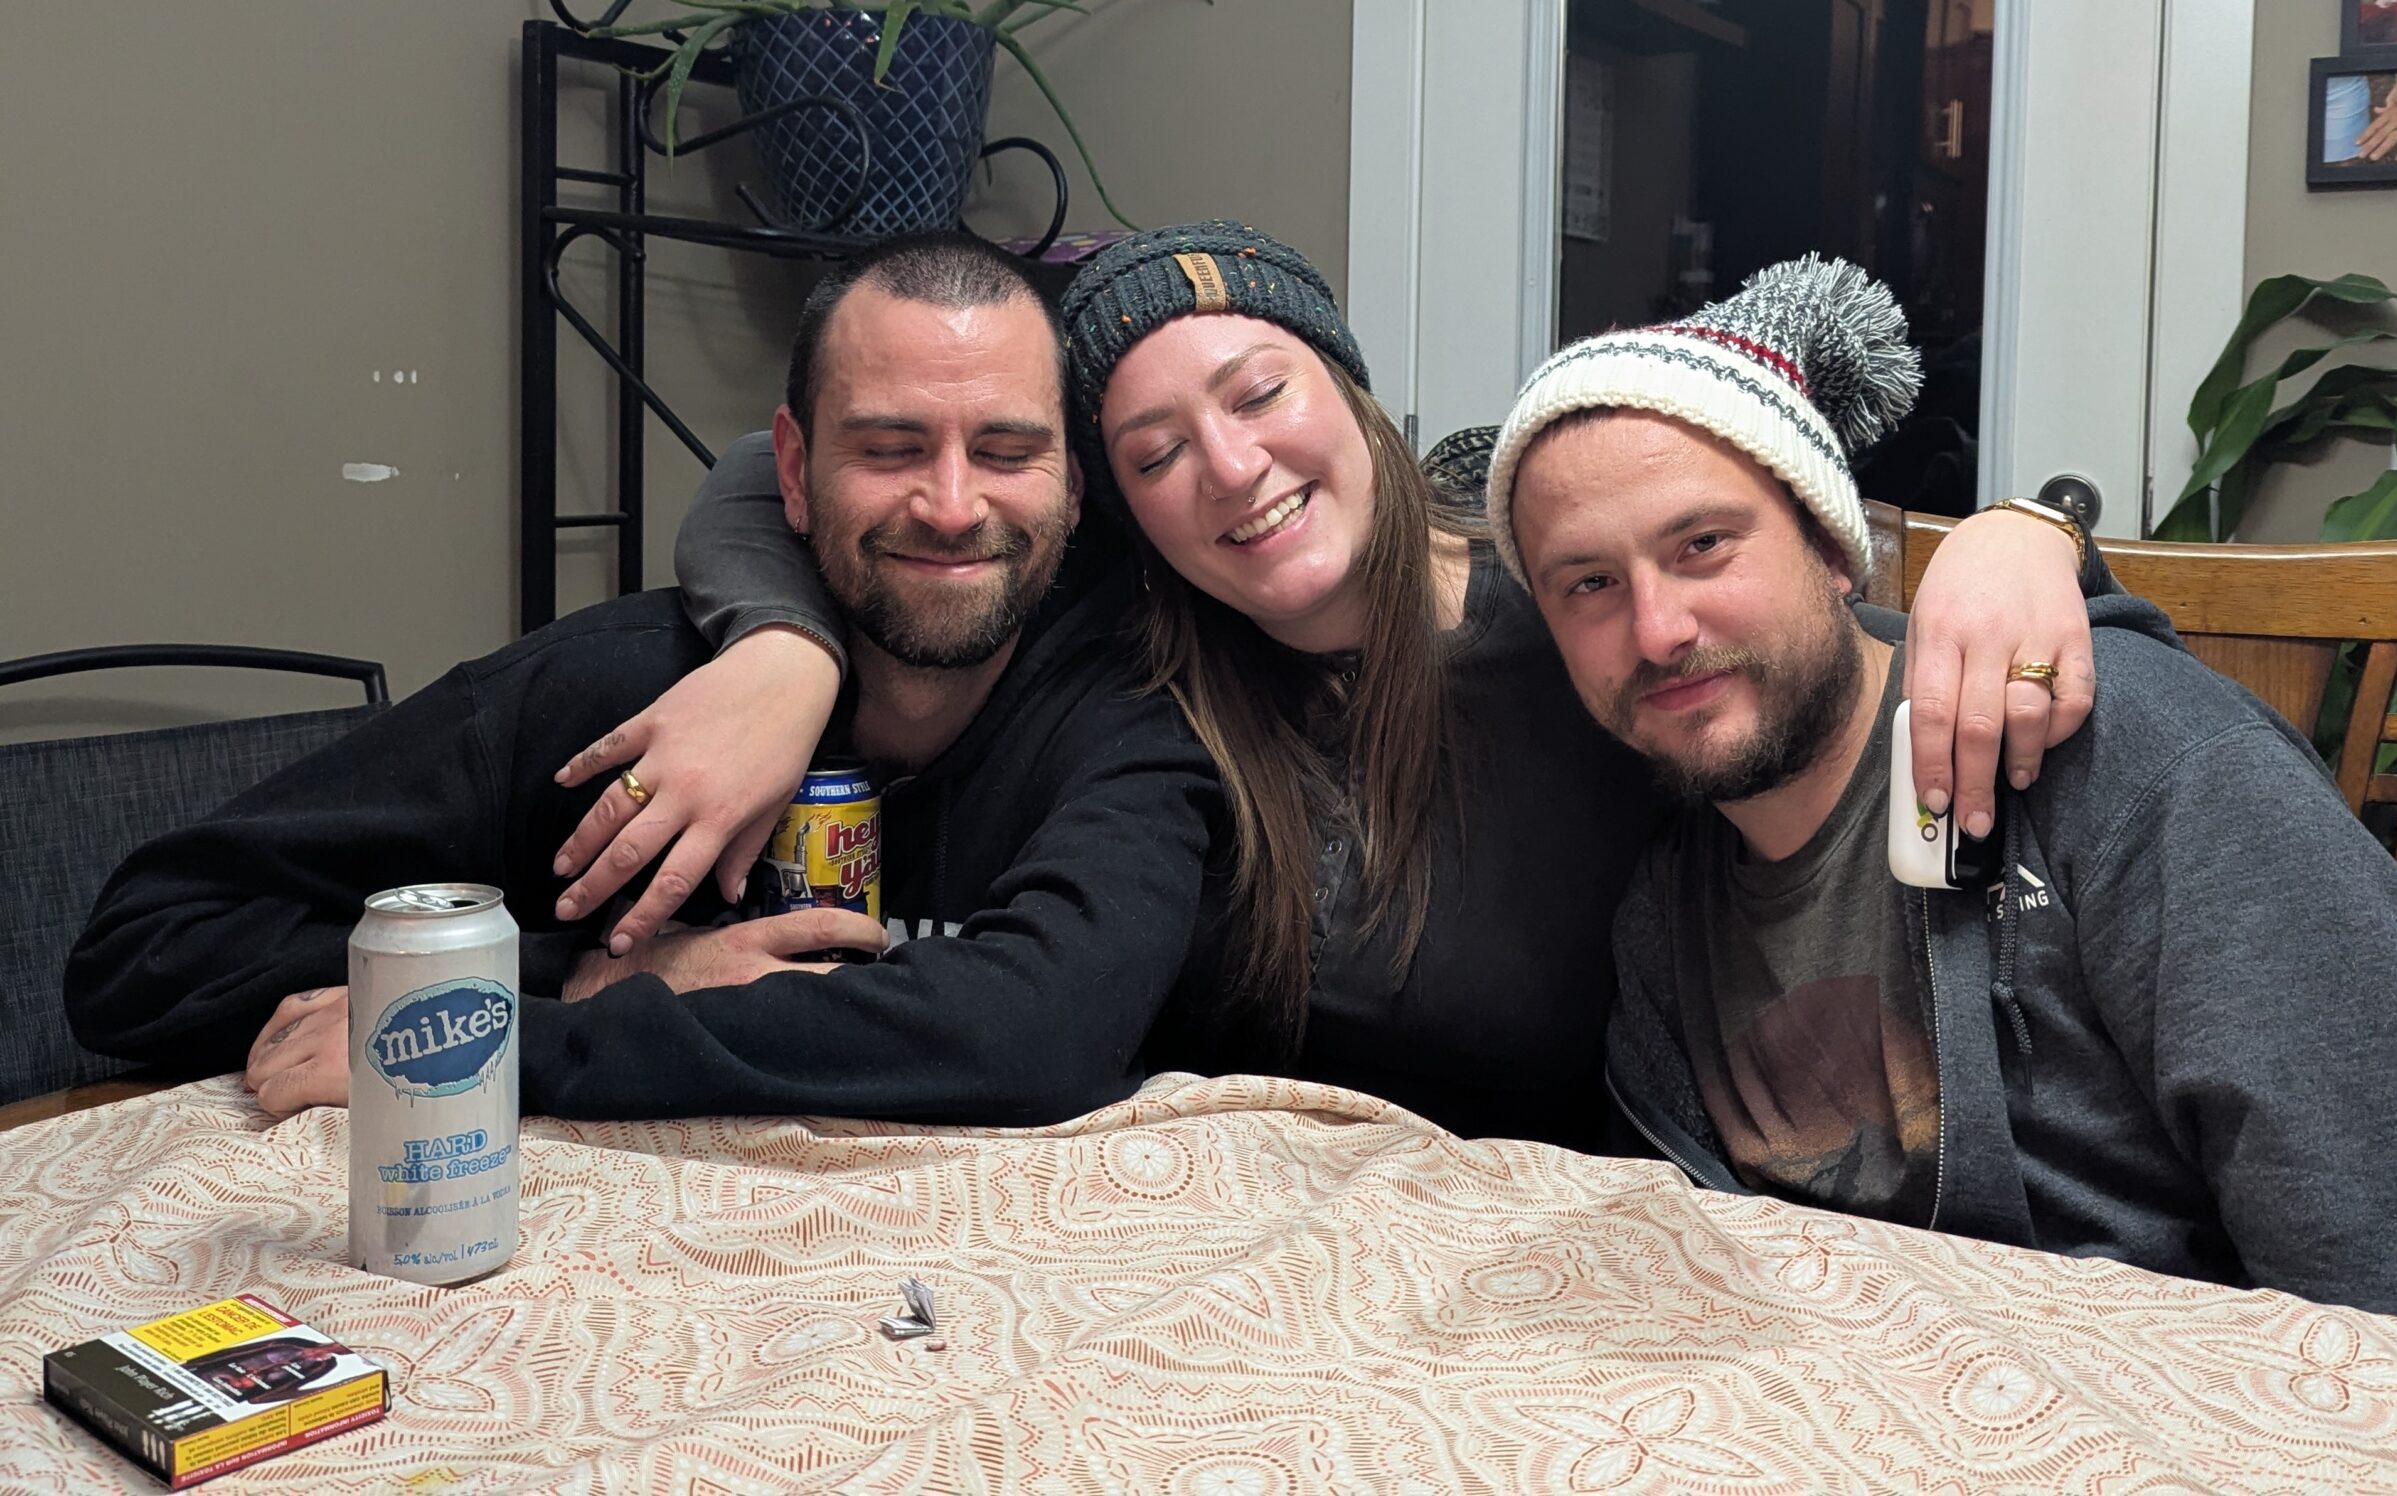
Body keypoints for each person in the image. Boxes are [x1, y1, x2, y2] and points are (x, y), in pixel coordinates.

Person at [573, 221, 2103, 1148]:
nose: (1230, 470)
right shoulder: (1141, 659)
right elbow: (764, 475)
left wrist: (2030, 537)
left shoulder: (1581, 601)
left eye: (1261, 394)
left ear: (1351, 393)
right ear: (1121, 508)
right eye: (1156, 452)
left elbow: (1848, 644)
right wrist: (786, 652)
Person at [1485, 260, 2397, 1317]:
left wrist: (2036, 528)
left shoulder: (2133, 766)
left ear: (1832, 544)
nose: (1657, 630)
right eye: (1589, 583)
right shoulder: (1654, 888)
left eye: (1703, 544)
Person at [65, 233, 1226, 1125]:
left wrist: (552, 1034)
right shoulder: (609, 686)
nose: (952, 502)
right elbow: (143, 950)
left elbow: (1039, 1032)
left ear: (1078, 486)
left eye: (1009, 451)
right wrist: (568, 971)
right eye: (888, 447)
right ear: (792, 467)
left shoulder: (1129, 713)